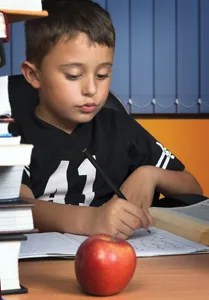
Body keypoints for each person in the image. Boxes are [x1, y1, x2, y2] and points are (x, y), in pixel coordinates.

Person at [11, 0, 202, 239]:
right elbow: (17, 207)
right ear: (33, 74)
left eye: (103, 74)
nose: (91, 88)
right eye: (73, 75)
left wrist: (150, 174)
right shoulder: (12, 135)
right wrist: (92, 219)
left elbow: (193, 189)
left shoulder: (118, 127)